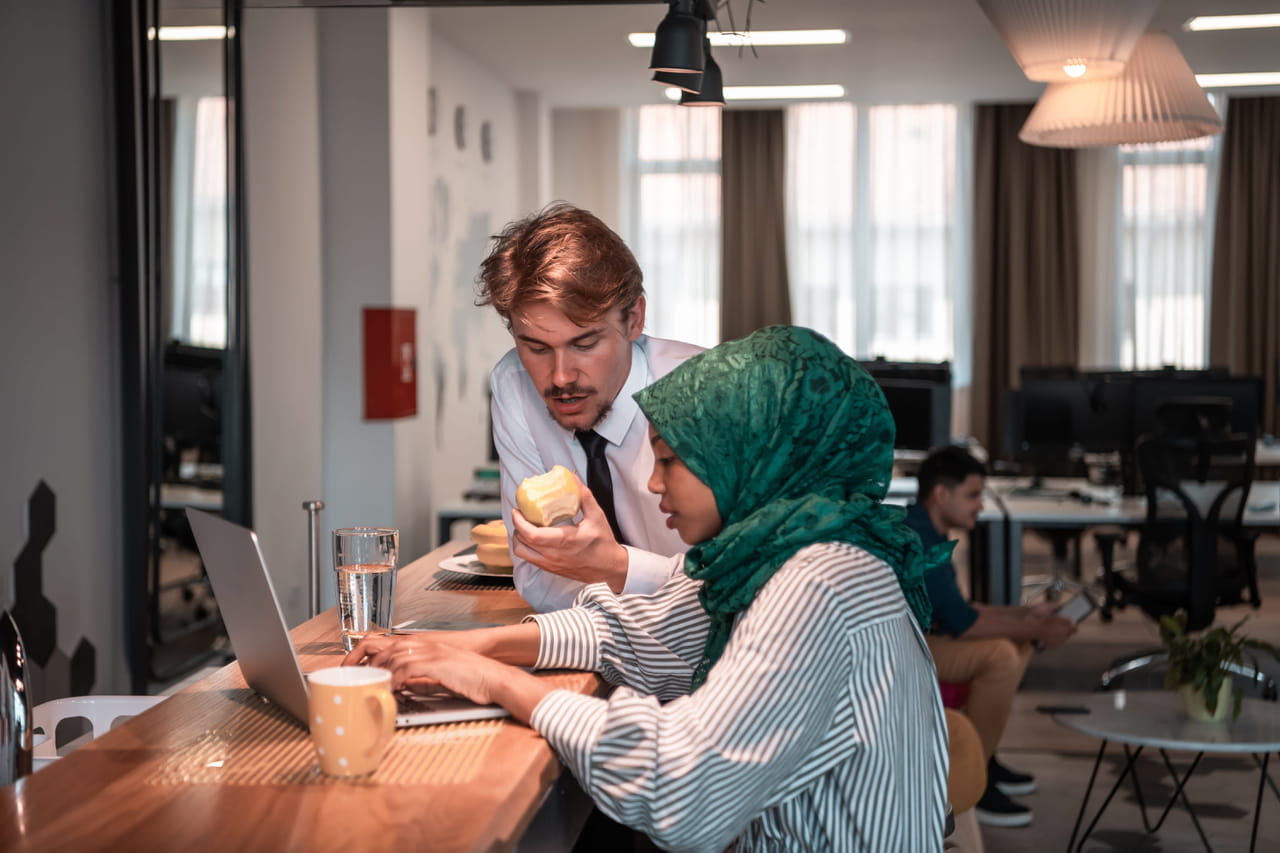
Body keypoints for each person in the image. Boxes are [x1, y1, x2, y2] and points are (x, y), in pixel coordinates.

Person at [347, 326, 951, 851]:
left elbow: (684, 787)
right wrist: (462, 650)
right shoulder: (779, 551)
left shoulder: (821, 581)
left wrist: (497, 683)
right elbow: (639, 630)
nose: (654, 485)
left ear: (743, 458)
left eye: (669, 462)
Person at [478, 202, 703, 612]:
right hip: (596, 648)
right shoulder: (513, 385)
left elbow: (748, 585)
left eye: (584, 344)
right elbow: (538, 574)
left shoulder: (702, 390)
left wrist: (617, 568)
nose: (561, 377)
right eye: (536, 347)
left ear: (634, 318)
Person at [904, 445, 1077, 829]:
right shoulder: (920, 541)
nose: (980, 506)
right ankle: (974, 777)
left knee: (1018, 641)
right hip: (903, 651)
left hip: (924, 639)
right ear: (940, 494)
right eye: (972, 495)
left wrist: (1025, 616)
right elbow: (963, 624)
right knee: (1000, 652)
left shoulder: (926, 529)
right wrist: (1035, 625)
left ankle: (987, 757)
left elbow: (958, 611)